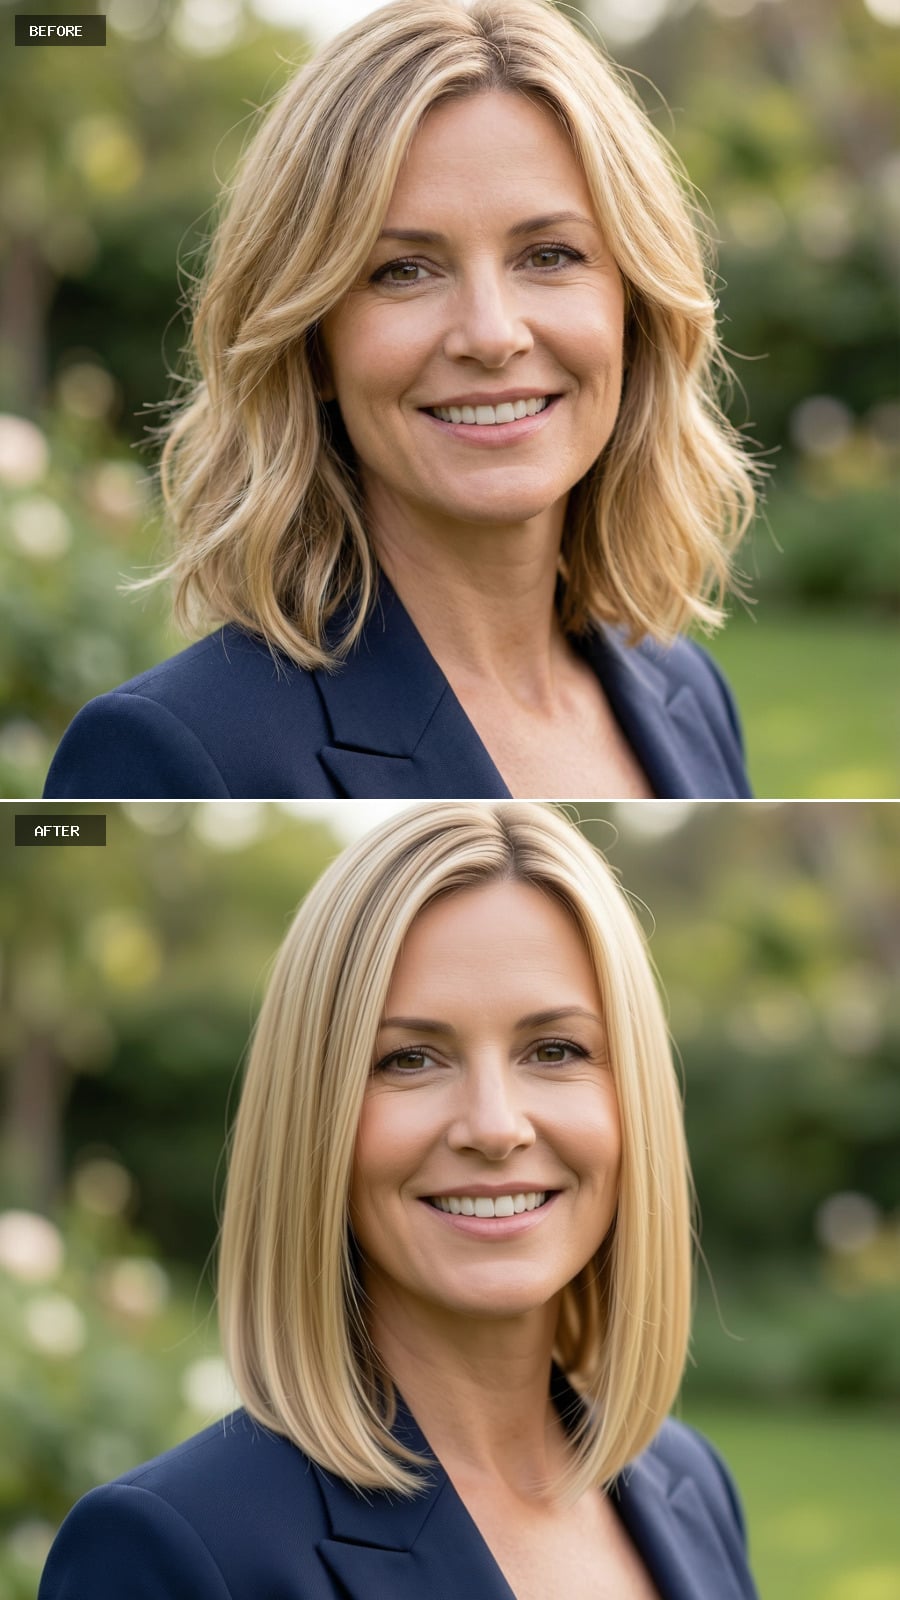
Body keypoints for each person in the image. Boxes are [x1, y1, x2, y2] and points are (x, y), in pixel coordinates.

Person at [44, 0, 763, 803]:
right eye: (403, 271)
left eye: (549, 254)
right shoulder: (171, 751)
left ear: (634, 308)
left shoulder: (691, 694)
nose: (491, 335)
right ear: (311, 341)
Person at [39, 801, 759, 1599]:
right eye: (410, 1059)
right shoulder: (171, 1551)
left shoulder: (691, 1491)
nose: (494, 1126)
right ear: (313, 1115)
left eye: (555, 1049)